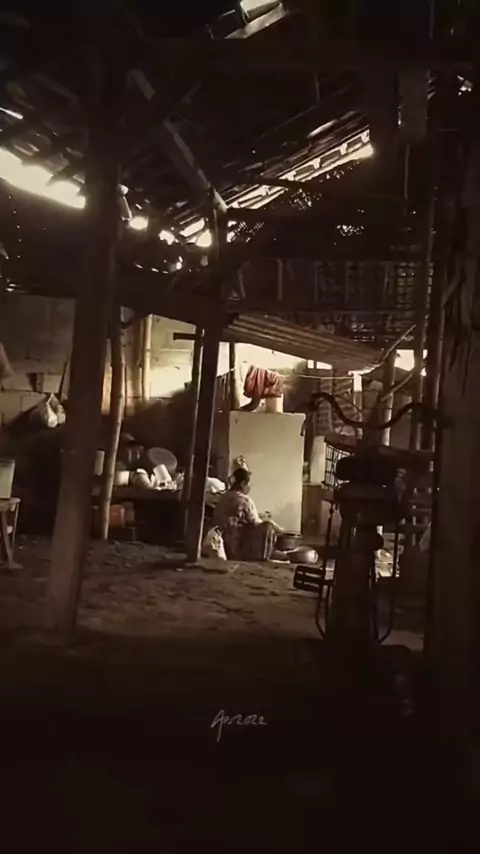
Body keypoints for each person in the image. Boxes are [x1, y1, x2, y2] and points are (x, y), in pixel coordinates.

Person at [212, 468, 281, 561]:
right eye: (248, 484)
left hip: (222, 543)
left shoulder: (225, 496)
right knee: (268, 527)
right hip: (237, 548)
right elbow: (256, 522)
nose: (249, 487)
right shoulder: (243, 499)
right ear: (243, 484)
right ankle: (262, 559)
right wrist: (278, 529)